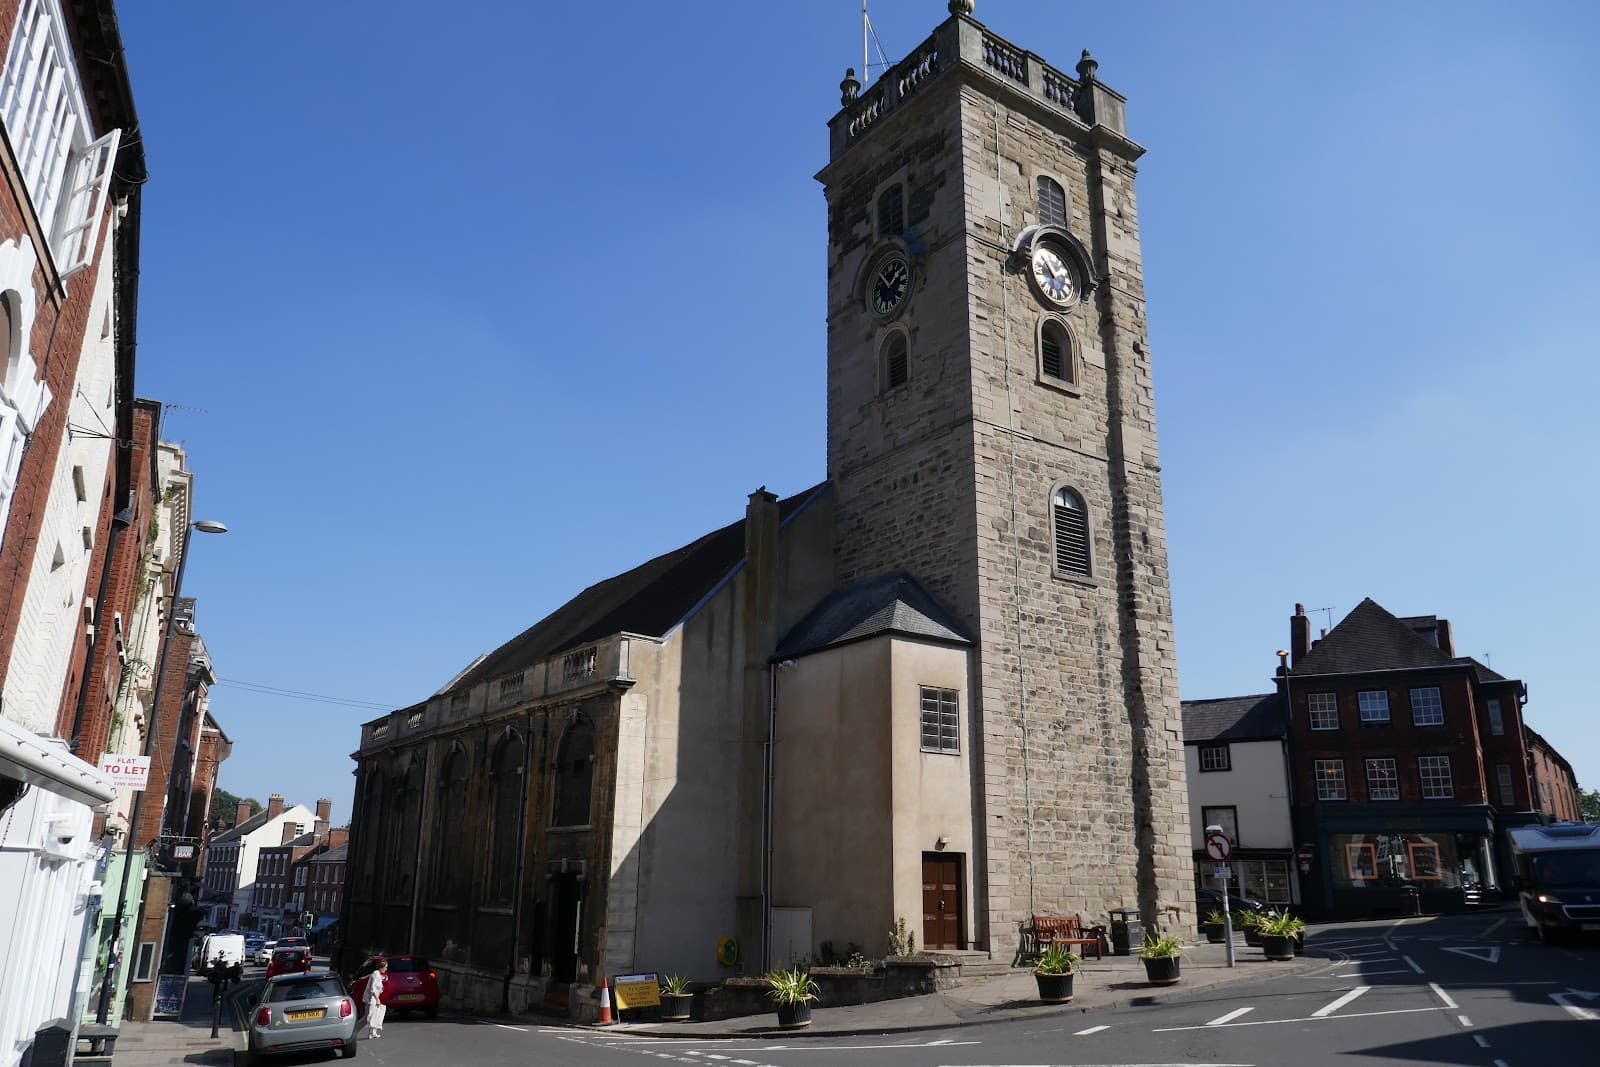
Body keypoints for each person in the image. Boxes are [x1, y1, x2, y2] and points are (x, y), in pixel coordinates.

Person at [363, 958, 388, 1038]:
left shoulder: (377, 974)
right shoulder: (376, 974)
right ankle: (354, 1032)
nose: (386, 969)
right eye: (386, 967)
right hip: (371, 999)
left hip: (372, 998)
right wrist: (377, 999)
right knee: (368, 1017)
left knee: (374, 1015)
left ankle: (372, 1033)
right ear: (382, 967)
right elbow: (373, 989)